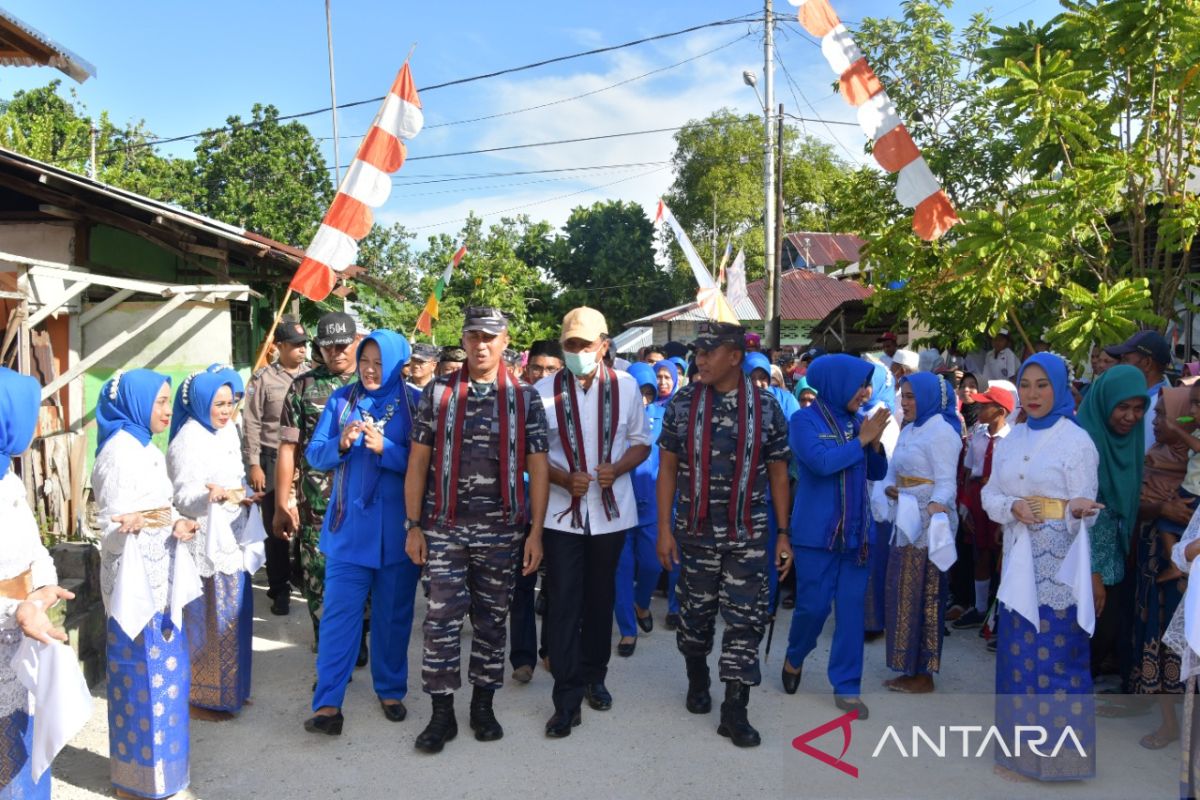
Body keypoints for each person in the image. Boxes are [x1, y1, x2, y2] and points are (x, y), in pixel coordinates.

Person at [405, 307, 550, 753]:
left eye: (490, 336)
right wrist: (413, 525)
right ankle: (442, 713)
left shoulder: (526, 398)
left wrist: (536, 533)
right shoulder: (438, 392)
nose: (480, 344)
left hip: (503, 531)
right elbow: (418, 462)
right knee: (441, 622)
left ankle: (482, 706)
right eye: (473, 335)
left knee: (492, 622)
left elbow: (539, 468)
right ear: (464, 339)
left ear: (506, 341)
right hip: (444, 528)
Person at [656, 323, 792, 747]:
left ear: (735, 356)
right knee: (695, 619)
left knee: (745, 620)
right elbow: (667, 469)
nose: (699, 359)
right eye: (698, 352)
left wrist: (784, 533)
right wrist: (663, 528)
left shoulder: (767, 407)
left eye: (708, 352)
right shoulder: (682, 403)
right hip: (695, 532)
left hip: (747, 533)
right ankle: (698, 679)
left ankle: (735, 709)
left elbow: (778, 473)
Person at [982, 353, 1102, 782]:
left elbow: (1083, 505)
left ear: (1060, 388)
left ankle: (1060, 760)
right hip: (1017, 560)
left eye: (1042, 385)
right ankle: (1018, 756)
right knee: (1017, 656)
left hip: (1059, 566)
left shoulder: (1077, 442)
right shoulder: (1010, 440)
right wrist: (1011, 507)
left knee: (1056, 658)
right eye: (1026, 384)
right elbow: (989, 496)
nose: (1032, 394)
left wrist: (1076, 511)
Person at [536, 307, 649, 738]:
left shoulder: (626, 386)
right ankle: (565, 698)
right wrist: (564, 478)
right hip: (561, 514)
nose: (578, 352)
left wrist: (617, 468)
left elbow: (641, 442)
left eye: (586, 344)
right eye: (571, 345)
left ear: (603, 344)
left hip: (611, 512)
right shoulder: (543, 391)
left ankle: (594, 676)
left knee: (600, 600)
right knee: (564, 603)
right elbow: (533, 453)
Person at [303, 331, 422, 735]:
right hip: (347, 531)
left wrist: (386, 448)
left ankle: (390, 689)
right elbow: (314, 455)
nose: (370, 370)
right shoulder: (341, 400)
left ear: (395, 365)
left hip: (397, 534)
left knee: (393, 617)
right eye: (364, 361)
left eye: (378, 363)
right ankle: (328, 705)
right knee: (339, 617)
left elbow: (427, 466)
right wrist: (340, 441)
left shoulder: (415, 403)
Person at [91, 368, 200, 798]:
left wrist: (177, 522)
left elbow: (157, 508)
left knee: (166, 676)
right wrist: (132, 526)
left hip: (161, 579)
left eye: (168, 400)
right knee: (138, 679)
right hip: (133, 588)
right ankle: (136, 781)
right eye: (158, 402)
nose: (167, 410)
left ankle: (165, 774)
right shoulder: (117, 453)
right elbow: (109, 527)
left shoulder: (144, 447)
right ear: (134, 404)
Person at [784, 354, 890, 720]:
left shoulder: (859, 423)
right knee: (812, 608)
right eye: (860, 385)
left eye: (868, 385)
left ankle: (847, 687)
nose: (866, 392)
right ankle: (795, 655)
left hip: (857, 536)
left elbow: (877, 471)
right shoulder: (803, 421)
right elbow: (822, 464)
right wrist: (862, 441)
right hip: (817, 536)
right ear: (837, 383)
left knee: (850, 613)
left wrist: (874, 444)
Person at [0, 368, 80, 800]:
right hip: (8, 633)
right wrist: (16, 610)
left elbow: (37, 551)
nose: (36, 426)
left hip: (21, 642)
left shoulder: (9, 480)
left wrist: (44, 589)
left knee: (26, 760)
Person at [168, 369, 262, 719]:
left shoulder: (226, 432)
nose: (226, 410)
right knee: (209, 620)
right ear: (199, 403)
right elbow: (183, 496)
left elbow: (234, 476)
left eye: (231, 403)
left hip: (233, 536)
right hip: (206, 541)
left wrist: (245, 495)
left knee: (235, 616)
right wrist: (213, 497)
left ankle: (233, 690)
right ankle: (205, 697)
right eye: (218, 404)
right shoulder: (188, 439)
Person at [274, 312, 361, 654]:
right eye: (328, 347)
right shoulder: (302, 387)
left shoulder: (373, 385)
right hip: (317, 505)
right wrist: (283, 501)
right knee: (319, 579)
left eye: (343, 345)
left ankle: (359, 637)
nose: (336, 352)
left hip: (363, 503)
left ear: (356, 342)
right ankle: (329, 647)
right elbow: (288, 448)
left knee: (362, 580)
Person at [876, 373, 962, 694]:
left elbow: (946, 484)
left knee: (926, 598)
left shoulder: (942, 432)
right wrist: (892, 491)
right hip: (906, 522)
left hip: (926, 528)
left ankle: (923, 674)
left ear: (927, 397)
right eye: (903, 396)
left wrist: (927, 508)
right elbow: (898, 472)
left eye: (911, 396)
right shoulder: (911, 429)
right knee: (902, 594)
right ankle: (906, 667)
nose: (905, 402)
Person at [1127, 387, 1195, 747]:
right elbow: (1136, 504)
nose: (1154, 422)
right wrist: (1160, 510)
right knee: (1156, 634)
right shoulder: (1153, 456)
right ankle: (1169, 722)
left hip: (1190, 569)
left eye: (1161, 416)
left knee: (1188, 644)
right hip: (1154, 562)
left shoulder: (1193, 465)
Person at [243, 317, 309, 616]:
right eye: (295, 346)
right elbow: (251, 424)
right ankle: (279, 587)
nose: (301, 351)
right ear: (279, 347)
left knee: (307, 521)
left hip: (305, 459)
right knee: (276, 526)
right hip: (272, 458)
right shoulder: (263, 379)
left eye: (304, 345)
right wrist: (253, 464)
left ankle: (302, 575)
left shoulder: (312, 376)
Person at [510, 338, 563, 683]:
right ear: (527, 369)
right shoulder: (514, 401)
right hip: (519, 509)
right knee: (522, 585)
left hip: (558, 507)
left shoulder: (572, 404)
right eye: (538, 368)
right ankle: (523, 658)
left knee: (558, 587)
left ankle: (551, 651)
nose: (543, 375)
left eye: (552, 369)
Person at [952, 385, 1014, 631]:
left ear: (1000, 411)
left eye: (986, 405)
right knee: (980, 552)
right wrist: (966, 505)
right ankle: (979, 608)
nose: (979, 407)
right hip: (978, 497)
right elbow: (969, 471)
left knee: (1002, 557)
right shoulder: (977, 436)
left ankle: (998, 613)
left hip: (1002, 497)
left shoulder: (1012, 439)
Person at [613, 363, 664, 656]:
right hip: (618, 505)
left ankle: (641, 604)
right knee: (621, 570)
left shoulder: (664, 417)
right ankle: (627, 630)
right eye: (638, 391)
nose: (642, 398)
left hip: (651, 505)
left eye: (648, 392)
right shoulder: (613, 419)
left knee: (651, 565)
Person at [743, 351, 800, 611]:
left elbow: (792, 441)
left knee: (771, 550)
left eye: (763, 377)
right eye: (752, 377)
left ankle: (767, 604)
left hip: (773, 490)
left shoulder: (785, 400)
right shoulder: (735, 403)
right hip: (742, 495)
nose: (758, 383)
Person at [863, 363, 902, 641]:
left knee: (875, 563)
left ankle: (872, 622)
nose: (863, 389)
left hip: (878, 503)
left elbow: (887, 466)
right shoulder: (860, 413)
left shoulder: (884, 418)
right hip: (860, 500)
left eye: (868, 383)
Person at [1106, 330, 1174, 451]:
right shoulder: (1146, 398)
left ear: (1147, 363)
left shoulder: (1161, 408)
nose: (1120, 366)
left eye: (1126, 360)